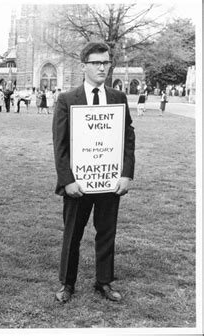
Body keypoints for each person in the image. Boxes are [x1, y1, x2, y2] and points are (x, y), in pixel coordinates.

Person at [52, 42, 135, 303]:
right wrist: (68, 181)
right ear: (83, 66)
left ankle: (104, 281)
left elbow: (127, 137)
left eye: (106, 62)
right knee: (72, 234)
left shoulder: (118, 98)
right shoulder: (67, 99)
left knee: (107, 232)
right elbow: (60, 144)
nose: (102, 67)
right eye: (96, 62)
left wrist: (126, 173)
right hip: (78, 183)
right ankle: (67, 283)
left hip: (109, 180)